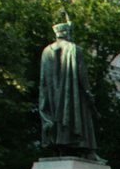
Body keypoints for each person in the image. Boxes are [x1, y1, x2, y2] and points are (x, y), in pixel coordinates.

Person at [39, 21, 98, 156]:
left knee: (57, 117)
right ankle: (88, 150)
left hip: (52, 95)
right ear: (68, 33)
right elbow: (81, 74)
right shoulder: (74, 49)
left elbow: (43, 79)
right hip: (73, 95)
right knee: (81, 117)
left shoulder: (46, 51)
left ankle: (60, 146)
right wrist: (88, 93)